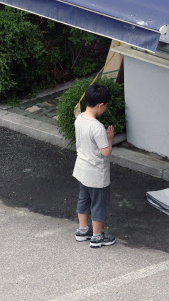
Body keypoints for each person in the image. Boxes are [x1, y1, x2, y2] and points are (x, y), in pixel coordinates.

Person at [73, 84, 115, 248]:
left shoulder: (79, 119)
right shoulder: (97, 127)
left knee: (84, 199)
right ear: (101, 105)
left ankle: (83, 230)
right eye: (106, 105)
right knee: (99, 203)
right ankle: (97, 237)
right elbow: (105, 152)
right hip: (97, 173)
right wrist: (109, 139)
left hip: (82, 168)